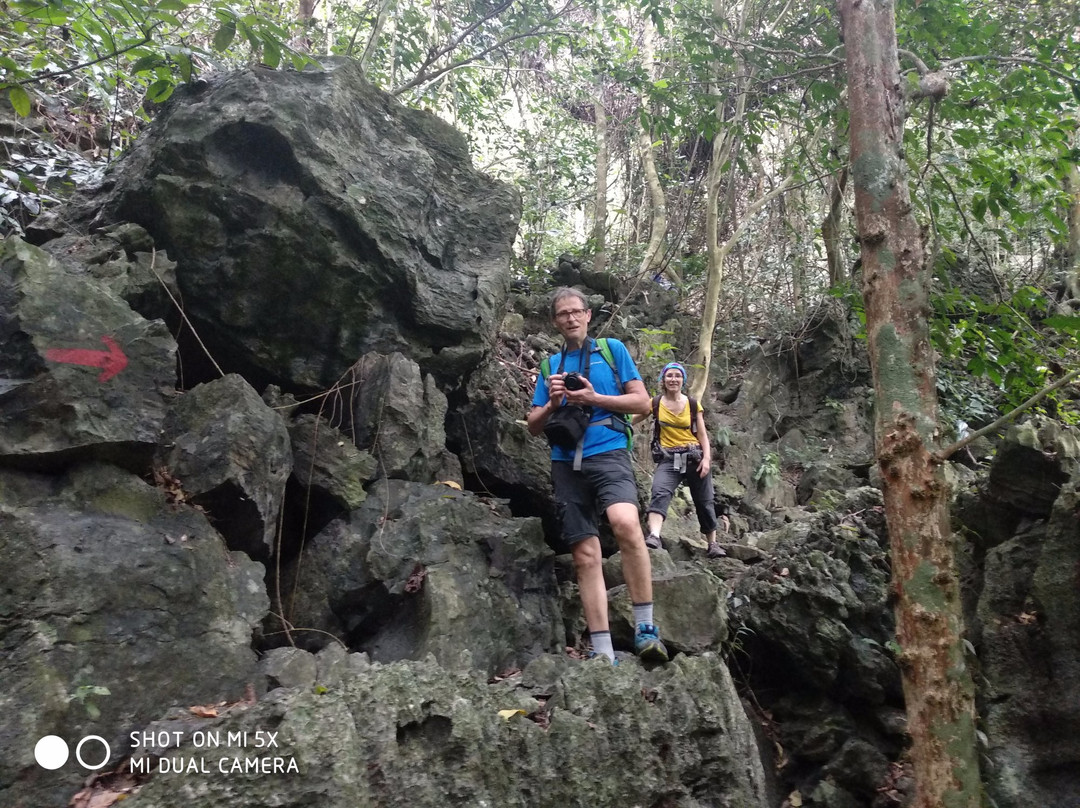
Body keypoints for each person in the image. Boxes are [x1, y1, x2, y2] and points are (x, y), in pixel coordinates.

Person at [527, 287, 668, 665]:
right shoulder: (549, 366)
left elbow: (642, 402)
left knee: (625, 524)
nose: (570, 318)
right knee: (585, 554)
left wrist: (594, 399)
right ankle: (603, 651)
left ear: (588, 315)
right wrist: (554, 402)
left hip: (608, 451)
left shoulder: (612, 350)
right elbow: (532, 426)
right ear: (555, 322)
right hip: (564, 461)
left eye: (576, 312)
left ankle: (645, 628)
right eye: (562, 314)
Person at [633, 362, 728, 558]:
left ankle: (713, 544)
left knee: (704, 501)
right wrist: (613, 422)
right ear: (663, 380)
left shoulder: (693, 405)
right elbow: (634, 418)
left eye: (677, 376)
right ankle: (654, 536)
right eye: (669, 376)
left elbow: (702, 435)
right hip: (669, 459)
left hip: (695, 458)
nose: (673, 379)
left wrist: (707, 459)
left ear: (683, 379)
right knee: (659, 491)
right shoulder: (656, 403)